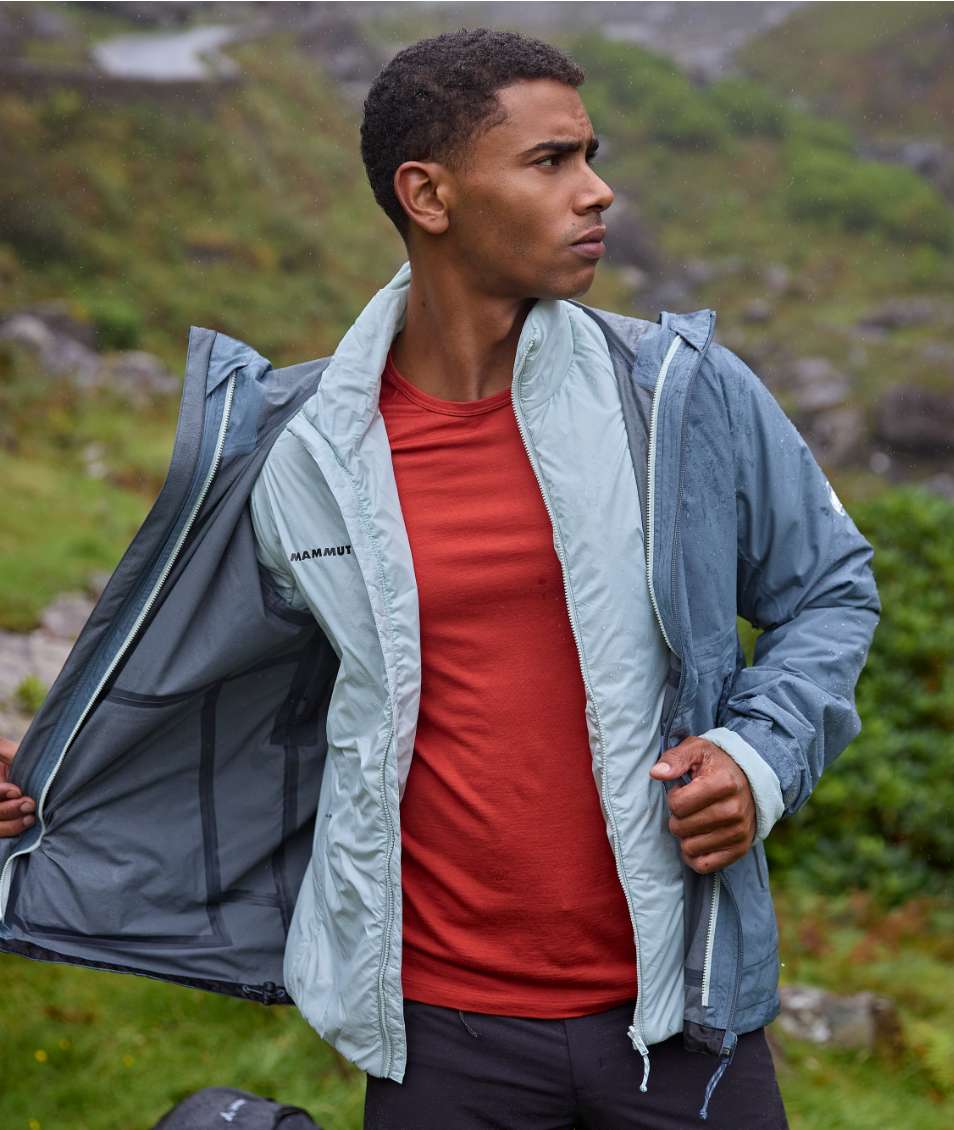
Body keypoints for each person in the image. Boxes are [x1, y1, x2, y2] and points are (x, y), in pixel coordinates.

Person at [0, 29, 878, 1128]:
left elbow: (830, 586)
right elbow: (212, 685)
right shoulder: (304, 453)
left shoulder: (677, 398)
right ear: (429, 195)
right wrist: (53, 777)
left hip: (685, 1020)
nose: (597, 191)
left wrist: (758, 756)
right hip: (441, 1038)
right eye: (551, 161)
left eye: (590, 156)